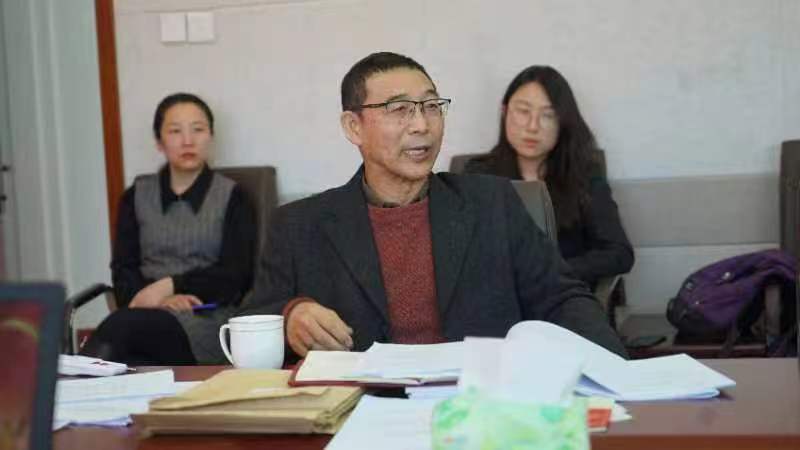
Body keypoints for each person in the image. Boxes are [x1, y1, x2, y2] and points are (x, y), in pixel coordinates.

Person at [245, 52, 626, 360]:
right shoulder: (299, 225)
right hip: (357, 408)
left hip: (475, 404)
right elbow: (245, 322)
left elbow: (562, 299)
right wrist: (288, 316)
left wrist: (621, 375)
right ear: (353, 127)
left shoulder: (493, 203)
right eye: (399, 109)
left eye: (431, 106)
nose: (422, 125)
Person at [81, 93, 256, 365]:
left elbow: (236, 275)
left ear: (210, 136)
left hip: (207, 319)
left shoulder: (234, 197)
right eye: (175, 131)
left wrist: (170, 286)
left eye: (198, 129)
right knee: (129, 346)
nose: (188, 141)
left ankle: (71, 379)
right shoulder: (135, 196)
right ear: (159, 141)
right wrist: (153, 299)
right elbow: (123, 270)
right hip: (143, 311)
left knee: (121, 334)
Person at [464, 66, 633, 289]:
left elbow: (619, 253)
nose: (533, 126)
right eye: (523, 111)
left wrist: (550, 271)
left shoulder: (583, 174)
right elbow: (462, 252)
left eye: (548, 115)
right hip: (499, 299)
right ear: (505, 112)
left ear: (563, 122)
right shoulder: (478, 174)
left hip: (563, 295)